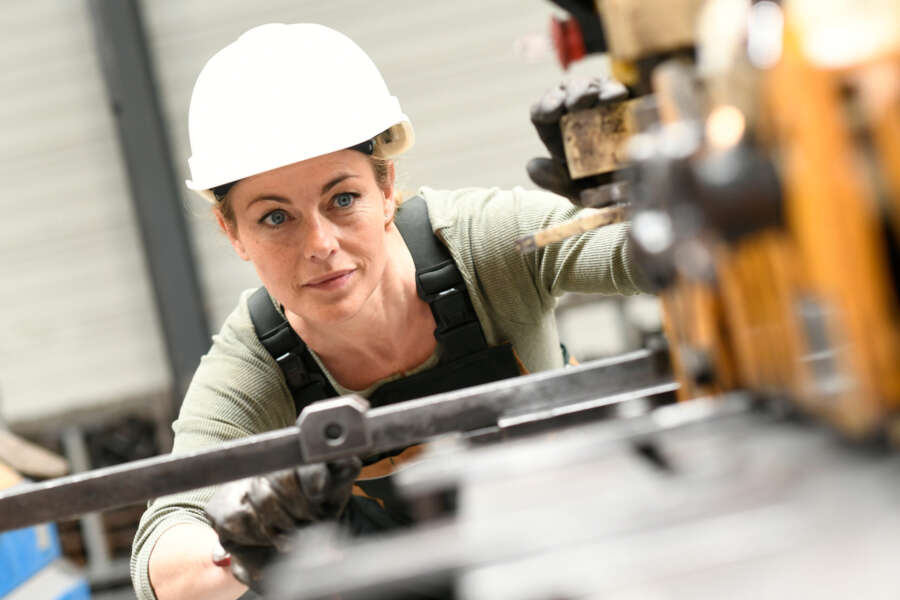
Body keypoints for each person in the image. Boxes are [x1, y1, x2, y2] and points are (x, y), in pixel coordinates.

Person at [130, 22, 648, 600]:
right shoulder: (254, 371)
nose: (320, 243)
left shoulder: (487, 247)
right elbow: (162, 563)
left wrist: (639, 205)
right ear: (233, 233)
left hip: (589, 562)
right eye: (276, 217)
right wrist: (250, 546)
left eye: (342, 199)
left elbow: (647, 259)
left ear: (387, 189)